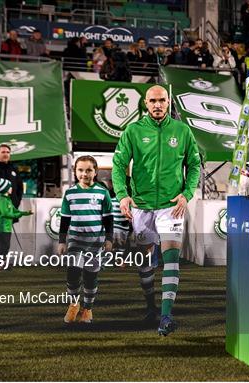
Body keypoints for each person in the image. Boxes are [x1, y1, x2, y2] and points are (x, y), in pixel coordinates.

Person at [112, 85, 201, 336]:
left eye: (162, 100)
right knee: (145, 259)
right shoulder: (134, 131)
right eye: (153, 101)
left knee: (171, 256)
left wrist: (187, 193)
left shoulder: (182, 131)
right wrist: (123, 196)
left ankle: (166, 316)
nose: (158, 105)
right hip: (141, 206)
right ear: (145, 103)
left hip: (171, 206)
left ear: (168, 101)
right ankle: (150, 307)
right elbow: (119, 165)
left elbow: (194, 165)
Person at [59, 155, 113, 324]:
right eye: (80, 170)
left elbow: (108, 218)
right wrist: (62, 241)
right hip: (75, 241)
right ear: (75, 172)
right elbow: (65, 219)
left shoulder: (103, 193)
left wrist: (109, 239)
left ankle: (87, 309)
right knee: (73, 273)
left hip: (95, 243)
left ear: (95, 172)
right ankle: (74, 304)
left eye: (88, 170)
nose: (84, 174)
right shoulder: (69, 193)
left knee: (90, 277)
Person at [0, 178, 32, 269]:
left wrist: (25, 213)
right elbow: (7, 213)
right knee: (2, 246)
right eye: (9, 187)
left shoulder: (7, 199)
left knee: (5, 245)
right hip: (2, 227)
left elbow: (14, 210)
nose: (11, 188)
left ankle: (2, 263)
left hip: (7, 227)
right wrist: (18, 215)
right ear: (5, 189)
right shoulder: (2, 200)